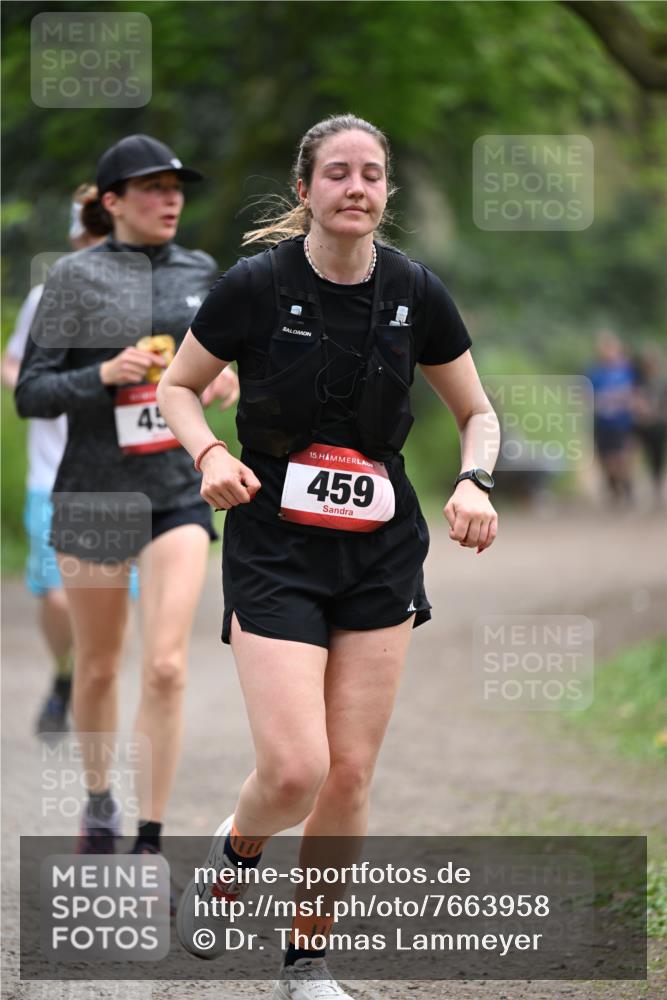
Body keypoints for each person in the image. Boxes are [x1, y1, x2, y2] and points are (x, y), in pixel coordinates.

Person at [158, 114, 500, 998]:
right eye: (338, 173)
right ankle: (235, 850)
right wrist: (209, 455)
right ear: (305, 188)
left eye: (373, 175)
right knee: (296, 769)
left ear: (385, 194)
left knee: (348, 774)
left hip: (380, 549)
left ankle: (307, 965)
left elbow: (478, 412)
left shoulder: (416, 292)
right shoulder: (254, 286)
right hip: (274, 542)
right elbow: (179, 387)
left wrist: (474, 481)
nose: (357, 188)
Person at [15, 135, 239, 860]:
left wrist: (219, 381)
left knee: (167, 664)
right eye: (151, 187)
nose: (170, 198)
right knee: (101, 664)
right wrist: (105, 375)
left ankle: (150, 838)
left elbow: (212, 372)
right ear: (112, 202)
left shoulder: (201, 272)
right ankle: (100, 800)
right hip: (94, 497)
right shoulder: (72, 281)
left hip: (176, 492)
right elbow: (31, 394)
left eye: (176, 186)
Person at [1, 185, 114, 738]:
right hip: (53, 474)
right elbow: (14, 364)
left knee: (102, 608)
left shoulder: (141, 302)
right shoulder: (47, 297)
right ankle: (64, 676)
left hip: (115, 481)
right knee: (58, 599)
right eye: (91, 237)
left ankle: (90, 694)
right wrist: (42, 387)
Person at [586, 330, 637, 506]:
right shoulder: (595, 373)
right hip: (602, 423)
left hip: (622, 423)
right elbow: (588, 396)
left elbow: (633, 394)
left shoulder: (627, 371)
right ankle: (614, 489)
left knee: (622, 458)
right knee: (606, 459)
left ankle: (627, 488)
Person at [632, 343, 667, 505]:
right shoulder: (638, 380)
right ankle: (631, 485)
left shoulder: (662, 382)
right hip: (639, 424)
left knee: (656, 456)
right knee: (634, 453)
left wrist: (654, 413)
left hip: (658, 424)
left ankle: (656, 485)